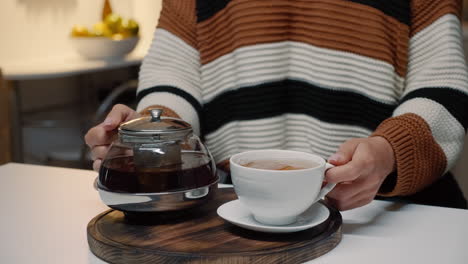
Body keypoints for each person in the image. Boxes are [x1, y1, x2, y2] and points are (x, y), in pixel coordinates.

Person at [85, 0, 468, 210]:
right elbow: (173, 76)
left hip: (384, 212)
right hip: (232, 214)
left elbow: (443, 88)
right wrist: (156, 138)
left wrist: (388, 153)